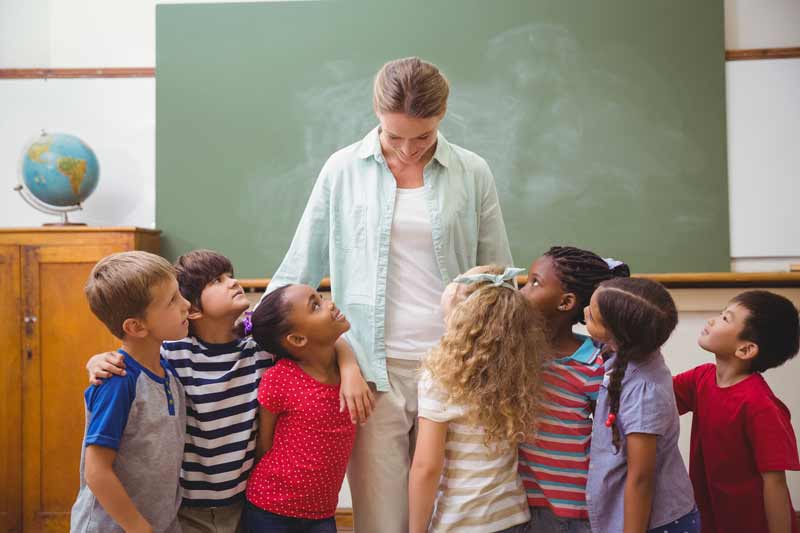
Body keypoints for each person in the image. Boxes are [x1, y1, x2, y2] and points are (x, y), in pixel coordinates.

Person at [263, 56, 512, 532]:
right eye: (395, 136)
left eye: (422, 136)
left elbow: (497, 273)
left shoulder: (473, 171)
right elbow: (300, 265)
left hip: (457, 366)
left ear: (442, 116)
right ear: (377, 112)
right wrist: (240, 334)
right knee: (382, 521)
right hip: (370, 375)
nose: (409, 149)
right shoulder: (342, 169)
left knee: (456, 516)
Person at [85, 250, 371, 533]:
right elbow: (135, 358)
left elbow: (319, 340)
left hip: (241, 503)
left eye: (229, 276)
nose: (232, 282)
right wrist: (97, 360)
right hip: (187, 508)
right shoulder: (174, 354)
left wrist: (349, 369)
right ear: (193, 310)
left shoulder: (259, 349)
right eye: (217, 281)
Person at [409, 266, 547, 533]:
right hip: (513, 517)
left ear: (461, 313)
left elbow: (427, 466)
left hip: (461, 522)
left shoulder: (440, 377)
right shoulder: (523, 367)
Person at [71, 251, 190, 532]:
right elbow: (96, 471)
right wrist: (139, 527)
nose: (185, 304)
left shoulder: (168, 372)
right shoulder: (118, 381)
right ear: (136, 327)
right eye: (173, 300)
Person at [517, 246, 629, 533]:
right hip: (518, 505)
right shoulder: (515, 353)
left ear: (566, 302)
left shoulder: (595, 362)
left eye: (535, 283)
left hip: (575, 512)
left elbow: (612, 441)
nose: (521, 291)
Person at [673, 290, 800, 533]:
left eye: (725, 318)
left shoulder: (761, 406)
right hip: (711, 518)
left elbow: (775, 484)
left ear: (745, 349)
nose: (712, 320)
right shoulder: (701, 378)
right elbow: (655, 399)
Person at [584, 277, 698, 533]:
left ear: (616, 334)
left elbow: (641, 479)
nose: (584, 313)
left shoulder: (644, 392)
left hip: (657, 523)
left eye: (591, 316)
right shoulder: (632, 350)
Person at [242, 284, 356, 533]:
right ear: (297, 339)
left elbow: (343, 349)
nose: (330, 304)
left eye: (322, 297)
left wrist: (351, 367)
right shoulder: (280, 379)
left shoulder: (350, 373)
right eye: (316, 305)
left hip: (322, 513)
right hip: (270, 509)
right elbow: (265, 443)